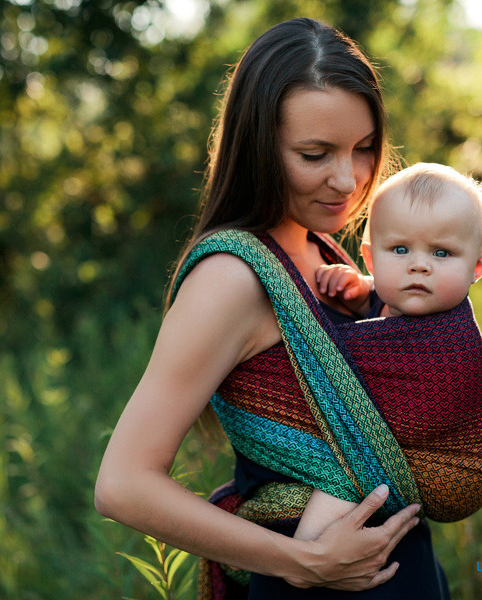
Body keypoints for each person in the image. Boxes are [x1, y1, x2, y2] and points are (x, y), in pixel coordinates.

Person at [95, 18, 443, 599]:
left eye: (363, 149)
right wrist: (301, 562)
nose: (347, 179)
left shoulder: (324, 251)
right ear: (258, 148)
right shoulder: (232, 278)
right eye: (314, 154)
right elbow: (123, 484)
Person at [294, 162, 482, 543]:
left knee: (344, 472)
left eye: (441, 253)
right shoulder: (392, 297)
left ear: (478, 266)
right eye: (400, 249)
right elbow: (383, 310)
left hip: (455, 467)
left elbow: (343, 366)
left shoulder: (450, 341)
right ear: (371, 259)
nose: (418, 265)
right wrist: (359, 293)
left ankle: (309, 555)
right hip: (401, 461)